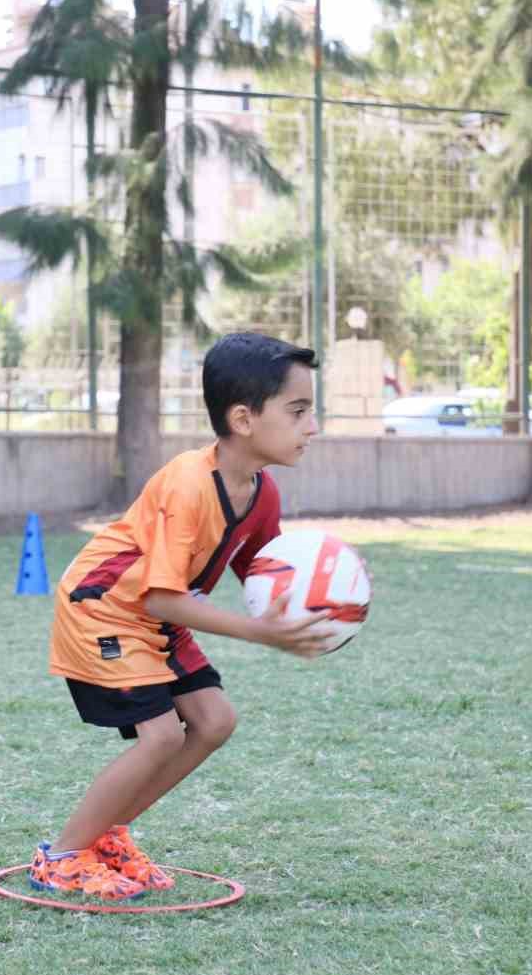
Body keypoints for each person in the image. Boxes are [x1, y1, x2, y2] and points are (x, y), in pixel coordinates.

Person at [28, 332, 334, 901]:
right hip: (106, 608)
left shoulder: (261, 491)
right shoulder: (189, 484)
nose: (311, 425)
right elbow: (160, 599)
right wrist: (262, 633)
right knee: (162, 735)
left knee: (215, 721)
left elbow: (261, 570)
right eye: (298, 411)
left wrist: (315, 603)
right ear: (243, 418)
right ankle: (63, 855)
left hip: (155, 614)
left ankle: (105, 837)